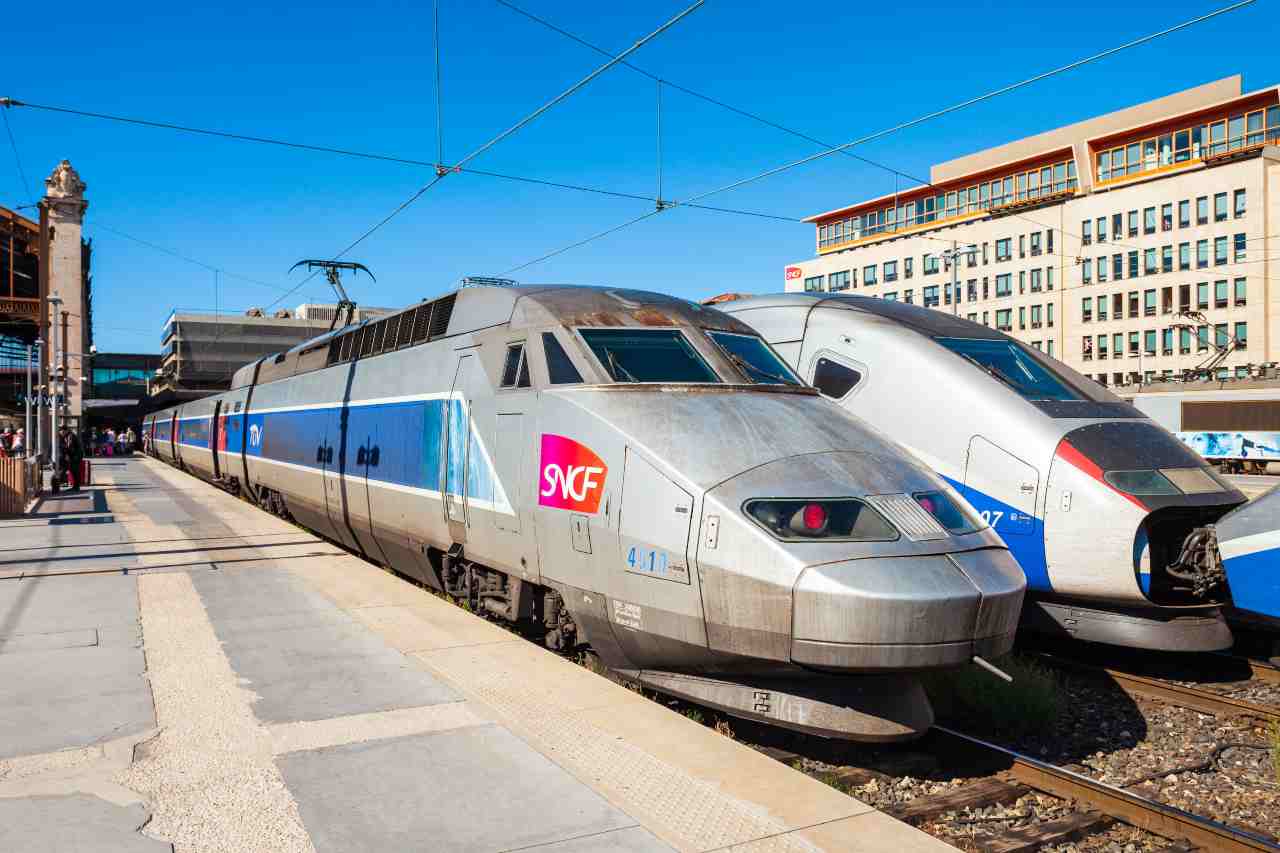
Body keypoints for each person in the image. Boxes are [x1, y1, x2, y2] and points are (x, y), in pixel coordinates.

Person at [58, 426, 84, 491]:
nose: (61, 433)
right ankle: (75, 486)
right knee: (73, 471)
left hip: (75, 456)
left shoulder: (70, 436)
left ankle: (76, 487)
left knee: (74, 471)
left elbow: (70, 447)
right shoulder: (68, 435)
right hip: (76, 455)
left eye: (62, 432)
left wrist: (67, 454)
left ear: (65, 431)